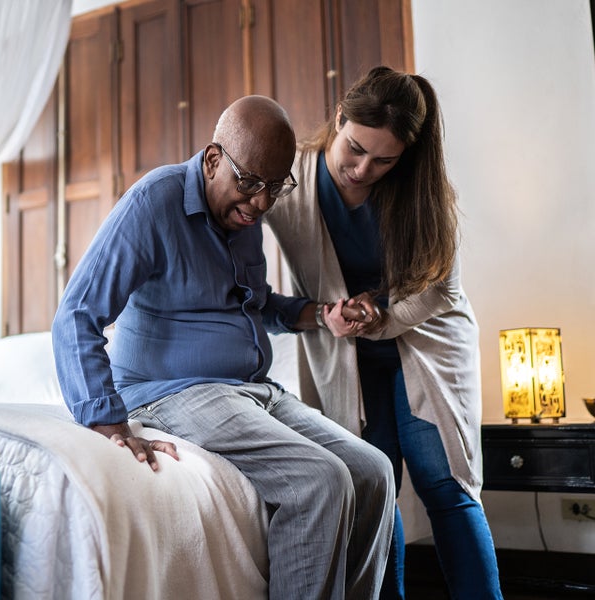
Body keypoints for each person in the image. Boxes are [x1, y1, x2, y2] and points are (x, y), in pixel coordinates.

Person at [51, 94, 395, 600]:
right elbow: (76, 315)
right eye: (250, 183)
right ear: (214, 160)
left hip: (251, 389)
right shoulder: (153, 204)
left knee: (373, 472)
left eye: (274, 188)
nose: (260, 203)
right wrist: (109, 423)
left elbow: (255, 305)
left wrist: (320, 314)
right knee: (319, 483)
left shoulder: (242, 219)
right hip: (172, 392)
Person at [265, 67, 504, 599]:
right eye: (355, 149)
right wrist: (316, 313)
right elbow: (246, 277)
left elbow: (439, 290)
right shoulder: (291, 181)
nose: (363, 169)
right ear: (339, 118)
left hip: (426, 341)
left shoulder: (421, 191)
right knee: (374, 486)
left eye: (384, 160)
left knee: (443, 480)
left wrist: (380, 313)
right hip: (345, 349)